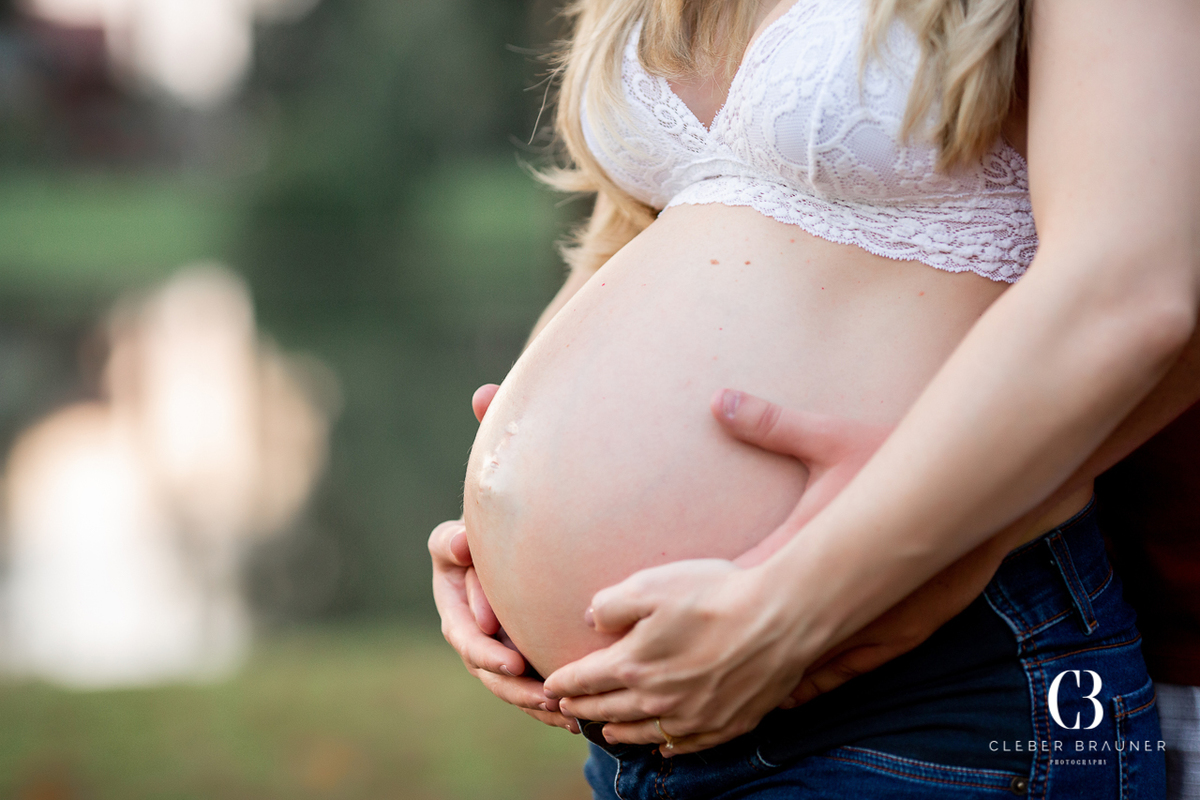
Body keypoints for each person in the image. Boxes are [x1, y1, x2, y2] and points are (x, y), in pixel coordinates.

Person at [430, 0, 1200, 796]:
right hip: (650, 722)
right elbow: (640, 227)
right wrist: (496, 519)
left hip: (920, 669)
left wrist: (792, 608)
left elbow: (1126, 287)